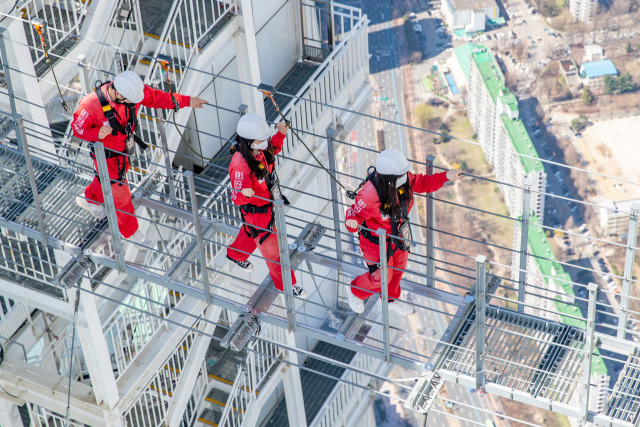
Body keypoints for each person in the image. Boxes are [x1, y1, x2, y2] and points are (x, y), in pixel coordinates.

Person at [71, 70, 207, 245]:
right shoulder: (90, 105)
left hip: (123, 149)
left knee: (107, 178)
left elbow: (157, 97)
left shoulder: (131, 93)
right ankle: (131, 232)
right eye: (130, 101)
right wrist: (97, 133)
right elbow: (78, 129)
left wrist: (188, 101)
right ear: (118, 93)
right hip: (106, 154)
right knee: (121, 193)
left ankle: (89, 198)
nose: (134, 103)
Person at [344, 149, 462, 314]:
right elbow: (353, 214)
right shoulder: (369, 195)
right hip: (376, 241)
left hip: (397, 234)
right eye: (401, 175)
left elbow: (423, 183)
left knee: (398, 269)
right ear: (389, 178)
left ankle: (390, 299)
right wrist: (352, 221)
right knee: (381, 277)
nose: (405, 176)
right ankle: (355, 291)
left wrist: (446, 176)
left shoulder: (404, 179)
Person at [226, 113, 307, 298]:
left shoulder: (257, 150)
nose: (265, 142)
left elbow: (271, 150)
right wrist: (244, 194)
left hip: (264, 206)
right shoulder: (240, 164)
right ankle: (287, 285)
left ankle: (235, 254)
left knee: (250, 232)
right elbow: (236, 197)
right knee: (274, 253)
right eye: (261, 139)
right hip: (258, 211)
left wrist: (281, 133)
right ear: (250, 141)